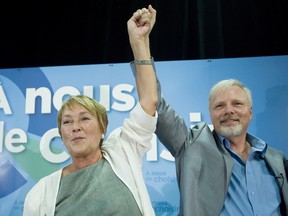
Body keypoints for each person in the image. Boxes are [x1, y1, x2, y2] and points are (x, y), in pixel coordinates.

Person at [129, 5, 288, 216]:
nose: (228, 111)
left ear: (250, 112)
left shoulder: (276, 160)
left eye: (237, 104)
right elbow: (155, 103)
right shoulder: (191, 145)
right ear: (211, 113)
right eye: (219, 106)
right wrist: (140, 43)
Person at [23, 7, 157, 216]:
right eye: (67, 122)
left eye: (84, 118)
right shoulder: (41, 193)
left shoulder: (123, 151)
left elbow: (149, 100)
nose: (75, 127)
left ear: (103, 128)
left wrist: (138, 42)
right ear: (61, 135)